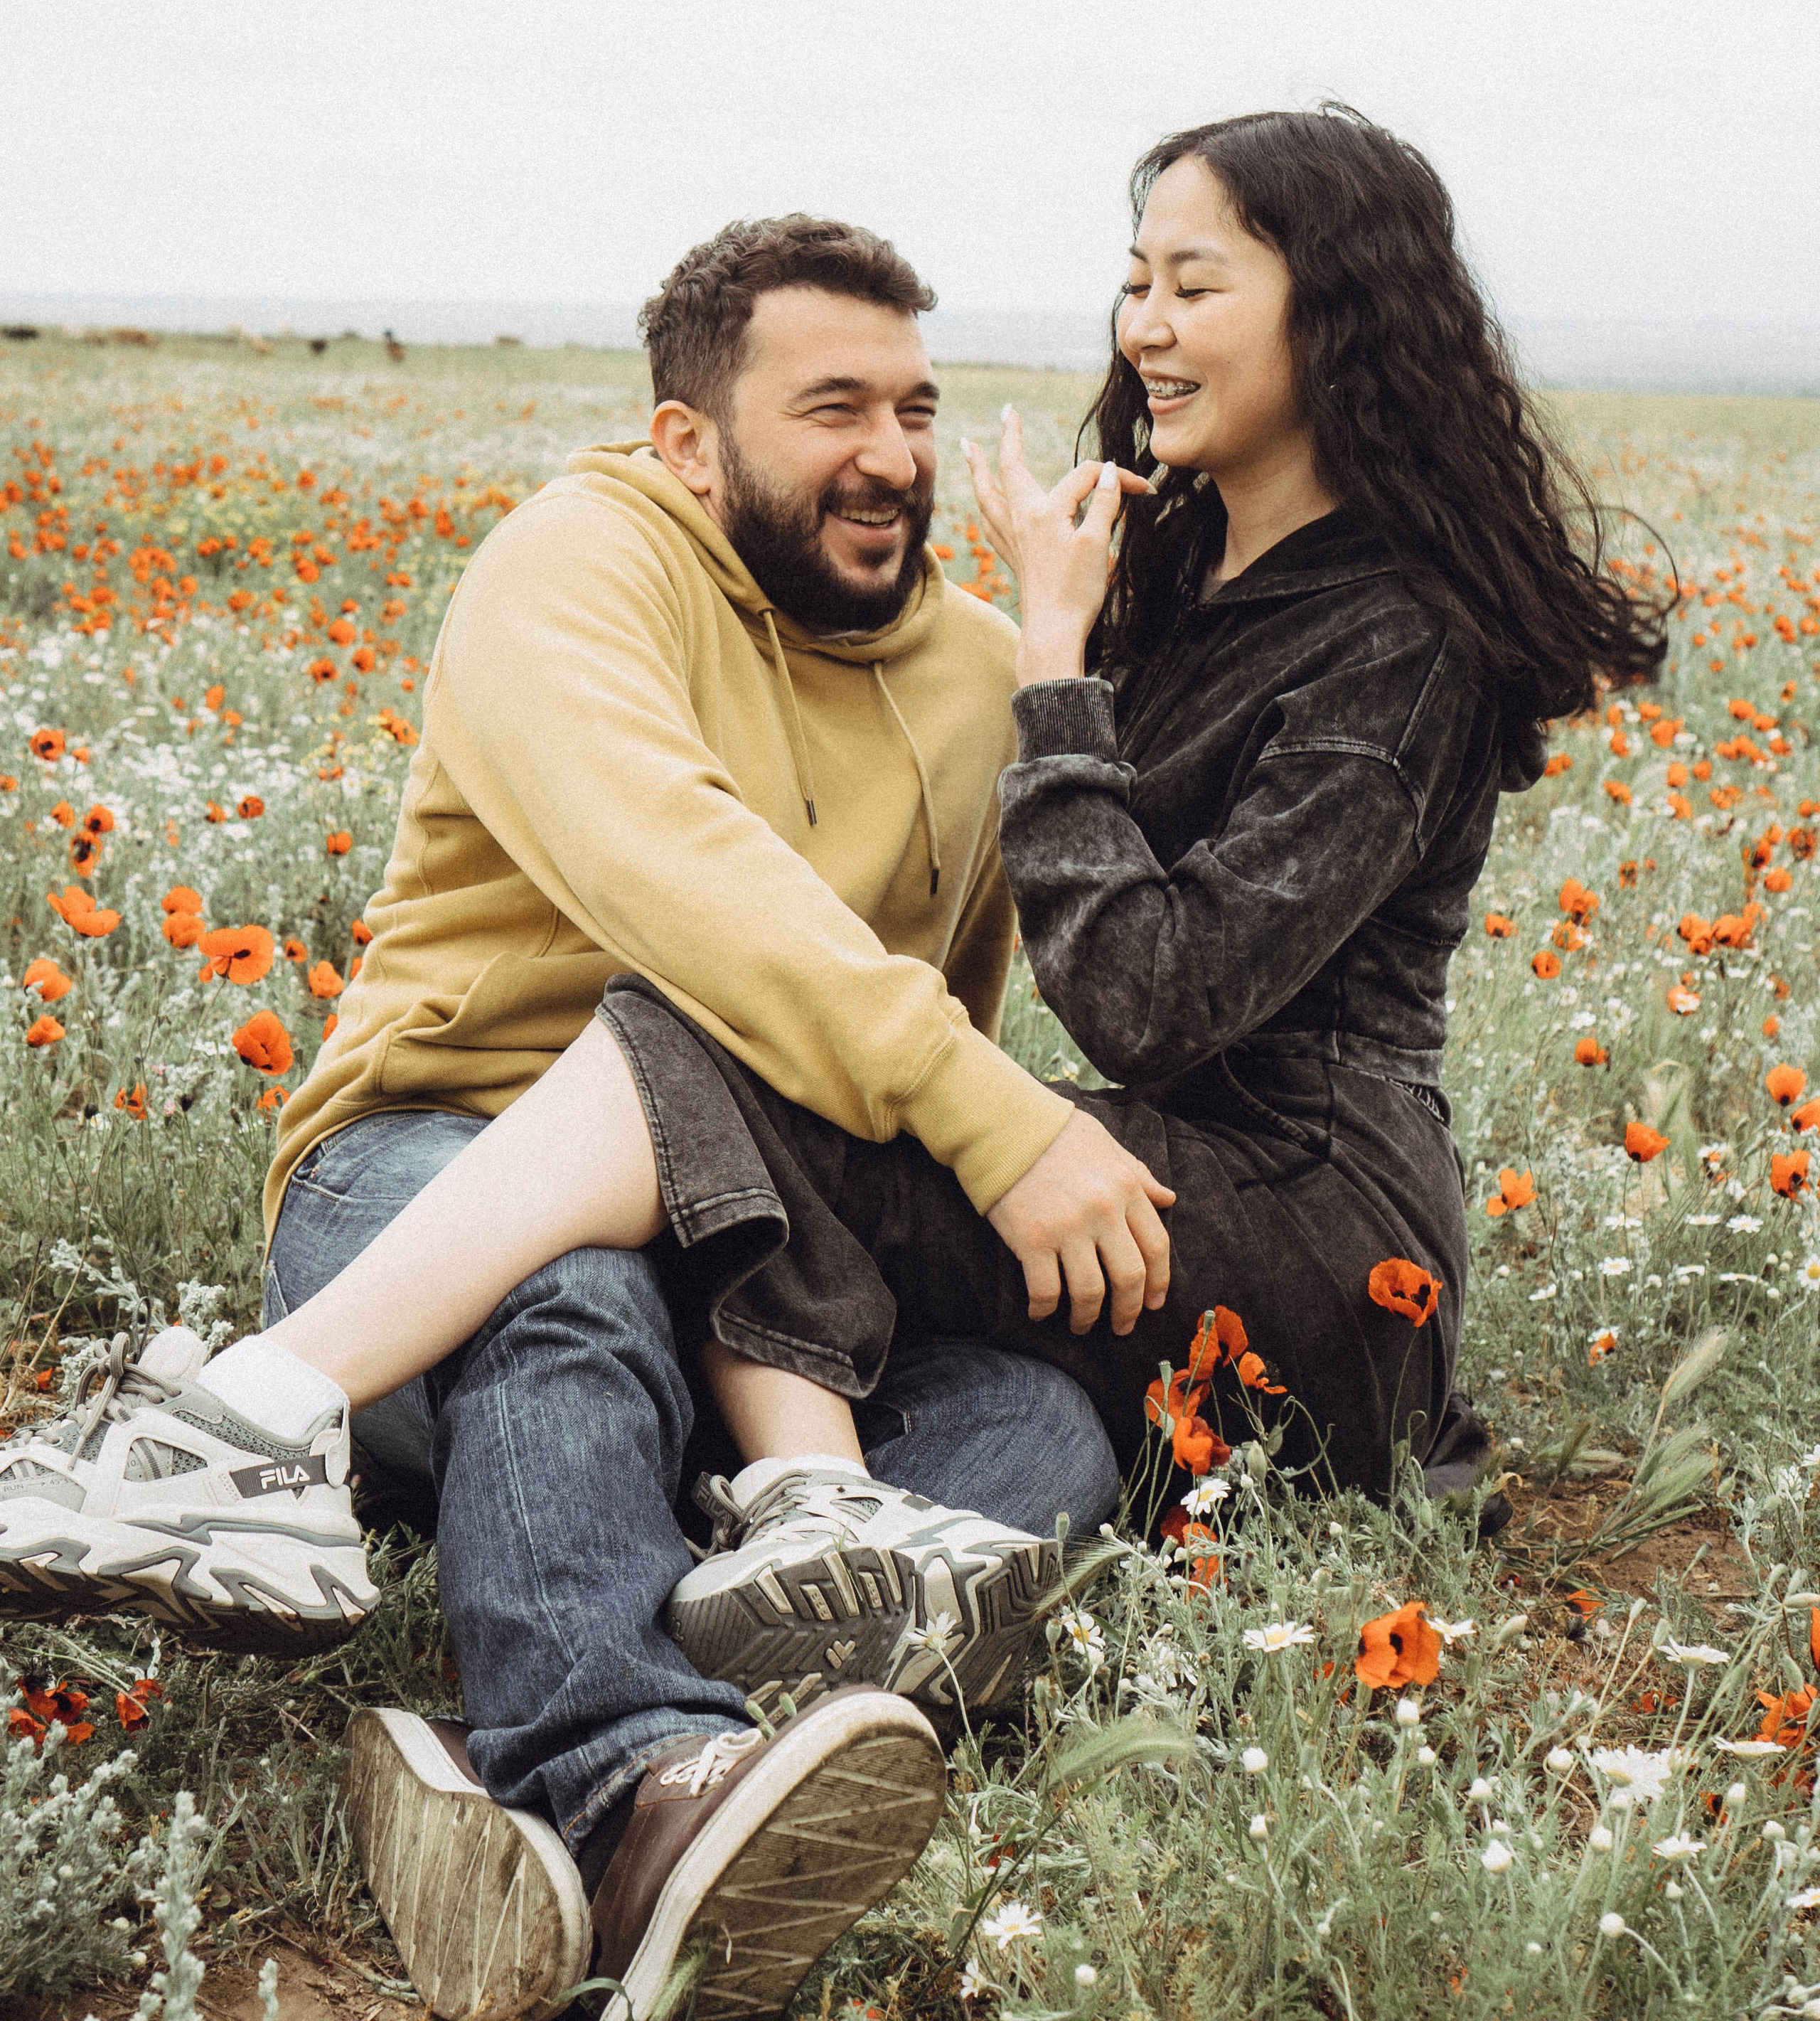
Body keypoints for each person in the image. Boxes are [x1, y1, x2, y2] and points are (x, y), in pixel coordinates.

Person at [0, 217, 1141, 2021]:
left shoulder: (971, 667)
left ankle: (519, 1686)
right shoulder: (575, 565)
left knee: (1033, 1439)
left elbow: (939, 1003)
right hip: (448, 1168)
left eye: (916, 408)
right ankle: (628, 1789)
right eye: (832, 405)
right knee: (575, 1299)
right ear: (691, 441)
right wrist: (1002, 1127)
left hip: (759, 1239)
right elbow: (674, 877)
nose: (894, 458)